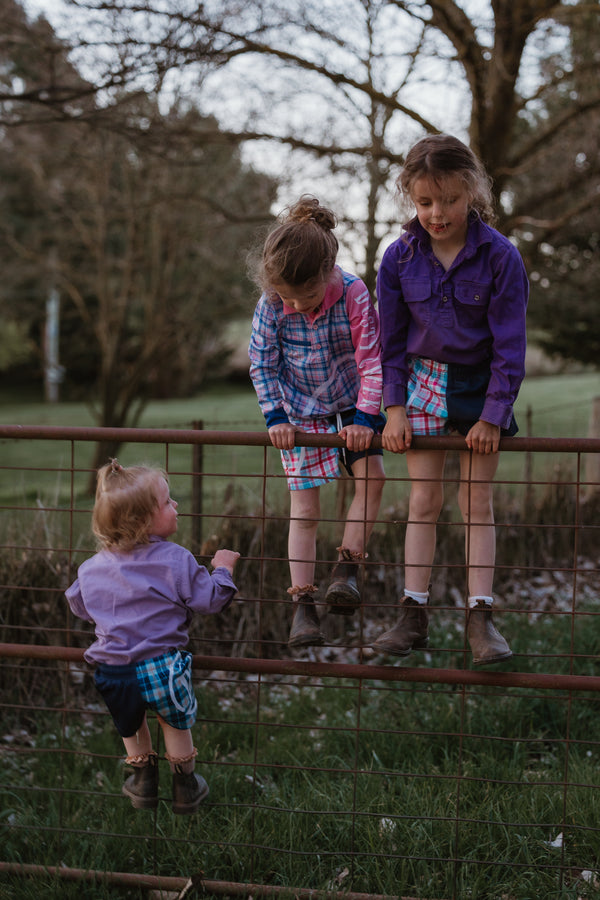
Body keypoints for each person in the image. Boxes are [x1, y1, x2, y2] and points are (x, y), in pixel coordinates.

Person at [371, 134, 528, 666]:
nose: (438, 214)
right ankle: (413, 614)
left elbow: (510, 344)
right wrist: (394, 408)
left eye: (451, 200)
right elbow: (389, 341)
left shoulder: (501, 256)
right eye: (425, 202)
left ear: (473, 191)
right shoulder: (397, 259)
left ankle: (480, 619)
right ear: (412, 200)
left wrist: (493, 415)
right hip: (422, 384)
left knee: (476, 502)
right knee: (423, 501)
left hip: (482, 385)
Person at [248, 195, 386, 649]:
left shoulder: (352, 292)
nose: (296, 304)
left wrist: (366, 417)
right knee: (305, 510)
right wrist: (276, 418)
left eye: (304, 296)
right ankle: (302, 606)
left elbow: (370, 359)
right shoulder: (273, 301)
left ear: (327, 273)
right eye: (287, 296)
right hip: (299, 410)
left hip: (351, 403)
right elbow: (263, 363)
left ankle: (346, 570)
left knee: (373, 479)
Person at [65, 459, 240, 814]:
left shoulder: (91, 567)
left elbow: (78, 604)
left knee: (130, 723)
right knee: (173, 722)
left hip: (112, 668)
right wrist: (222, 569)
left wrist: (112, 617)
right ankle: (185, 786)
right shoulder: (175, 559)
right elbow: (210, 600)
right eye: (167, 502)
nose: (176, 506)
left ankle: (143, 781)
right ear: (142, 521)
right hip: (161, 665)